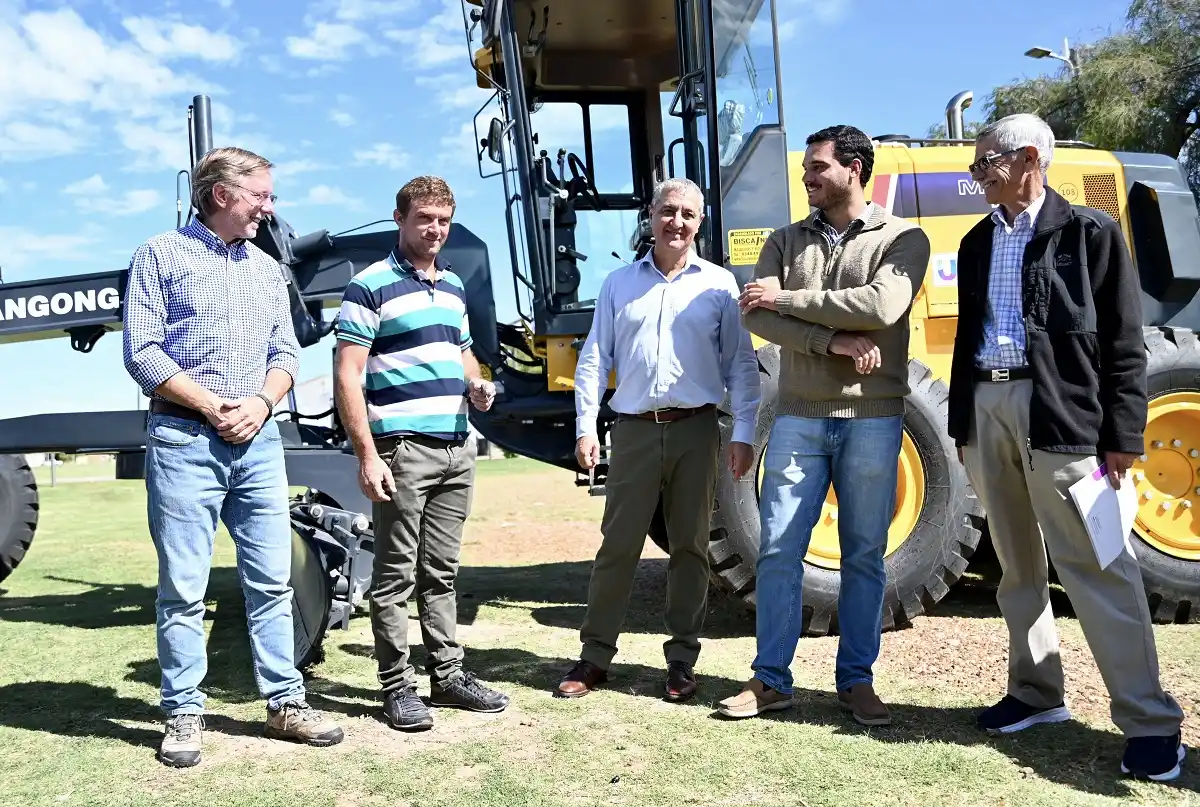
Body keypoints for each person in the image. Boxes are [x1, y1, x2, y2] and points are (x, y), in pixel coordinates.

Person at [947, 113, 1187, 781]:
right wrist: (964, 423)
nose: (976, 176)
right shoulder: (974, 241)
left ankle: (1151, 723)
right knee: (1016, 566)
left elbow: (1123, 343)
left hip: (1065, 419)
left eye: (983, 164)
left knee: (1100, 569)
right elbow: (971, 336)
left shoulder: (1092, 233)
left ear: (1028, 159)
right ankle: (1034, 691)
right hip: (989, 409)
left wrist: (1123, 437)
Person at [122, 146, 345, 768]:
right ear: (222, 194)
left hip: (258, 443)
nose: (268, 209)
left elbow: (287, 356)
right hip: (183, 442)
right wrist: (214, 405)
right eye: (261, 196)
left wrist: (261, 405)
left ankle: (285, 703)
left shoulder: (270, 271)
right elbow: (141, 353)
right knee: (183, 590)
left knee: (271, 581)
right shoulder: (158, 256)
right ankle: (184, 712)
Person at [717, 125, 929, 727]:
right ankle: (770, 680)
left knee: (865, 554)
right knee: (779, 550)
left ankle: (857, 683)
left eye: (817, 168)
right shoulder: (785, 240)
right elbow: (757, 318)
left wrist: (787, 299)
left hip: (873, 421)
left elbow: (881, 306)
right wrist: (830, 342)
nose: (806, 178)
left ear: (853, 169)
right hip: (797, 421)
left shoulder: (903, 239)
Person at [558, 176, 761, 702]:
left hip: (697, 430)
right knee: (617, 546)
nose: (677, 223)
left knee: (692, 547)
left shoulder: (719, 286)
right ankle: (594, 656)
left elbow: (740, 365)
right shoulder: (618, 284)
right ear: (650, 215)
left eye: (688, 215)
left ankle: (682, 660)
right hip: (633, 433)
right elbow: (593, 359)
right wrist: (585, 428)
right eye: (668, 211)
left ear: (700, 223)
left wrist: (742, 432)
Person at [333, 175, 509, 732]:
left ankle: (449, 677)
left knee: (443, 572)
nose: (435, 230)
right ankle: (396, 687)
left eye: (443, 221)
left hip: (458, 446)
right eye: (424, 219)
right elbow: (347, 374)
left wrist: (478, 386)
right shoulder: (369, 286)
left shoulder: (454, 286)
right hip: (402, 449)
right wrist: (367, 454)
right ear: (400, 219)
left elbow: (464, 355)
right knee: (394, 576)